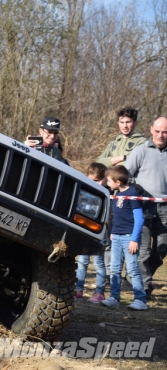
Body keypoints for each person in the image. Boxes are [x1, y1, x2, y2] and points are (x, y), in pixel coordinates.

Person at [96, 107, 146, 280]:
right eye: (122, 122)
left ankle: (131, 275)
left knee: (131, 235)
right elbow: (99, 161)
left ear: (135, 123)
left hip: (130, 192)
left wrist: (119, 161)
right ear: (118, 123)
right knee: (111, 231)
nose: (125, 126)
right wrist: (120, 158)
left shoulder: (142, 142)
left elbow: (132, 165)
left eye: (128, 122)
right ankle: (111, 273)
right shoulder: (115, 142)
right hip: (113, 192)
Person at [124, 116, 167, 301]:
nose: (160, 135)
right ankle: (144, 288)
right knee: (143, 251)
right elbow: (125, 176)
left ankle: (134, 275)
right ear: (151, 129)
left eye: (165, 132)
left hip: (165, 208)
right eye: (157, 131)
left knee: (161, 249)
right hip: (144, 206)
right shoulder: (140, 151)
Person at [100, 165, 147, 310]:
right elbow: (116, 216)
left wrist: (134, 239)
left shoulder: (132, 194)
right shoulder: (116, 195)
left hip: (129, 238)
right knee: (114, 268)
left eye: (109, 181)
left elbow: (139, 219)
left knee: (132, 269)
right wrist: (113, 231)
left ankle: (140, 300)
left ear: (118, 182)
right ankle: (114, 297)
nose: (107, 183)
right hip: (117, 237)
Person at [75, 163, 108, 303]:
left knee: (99, 263)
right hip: (85, 230)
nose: (97, 183)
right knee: (82, 261)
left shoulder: (106, 194)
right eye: (94, 180)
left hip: (100, 232)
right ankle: (78, 289)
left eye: (100, 180)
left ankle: (99, 292)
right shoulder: (84, 189)